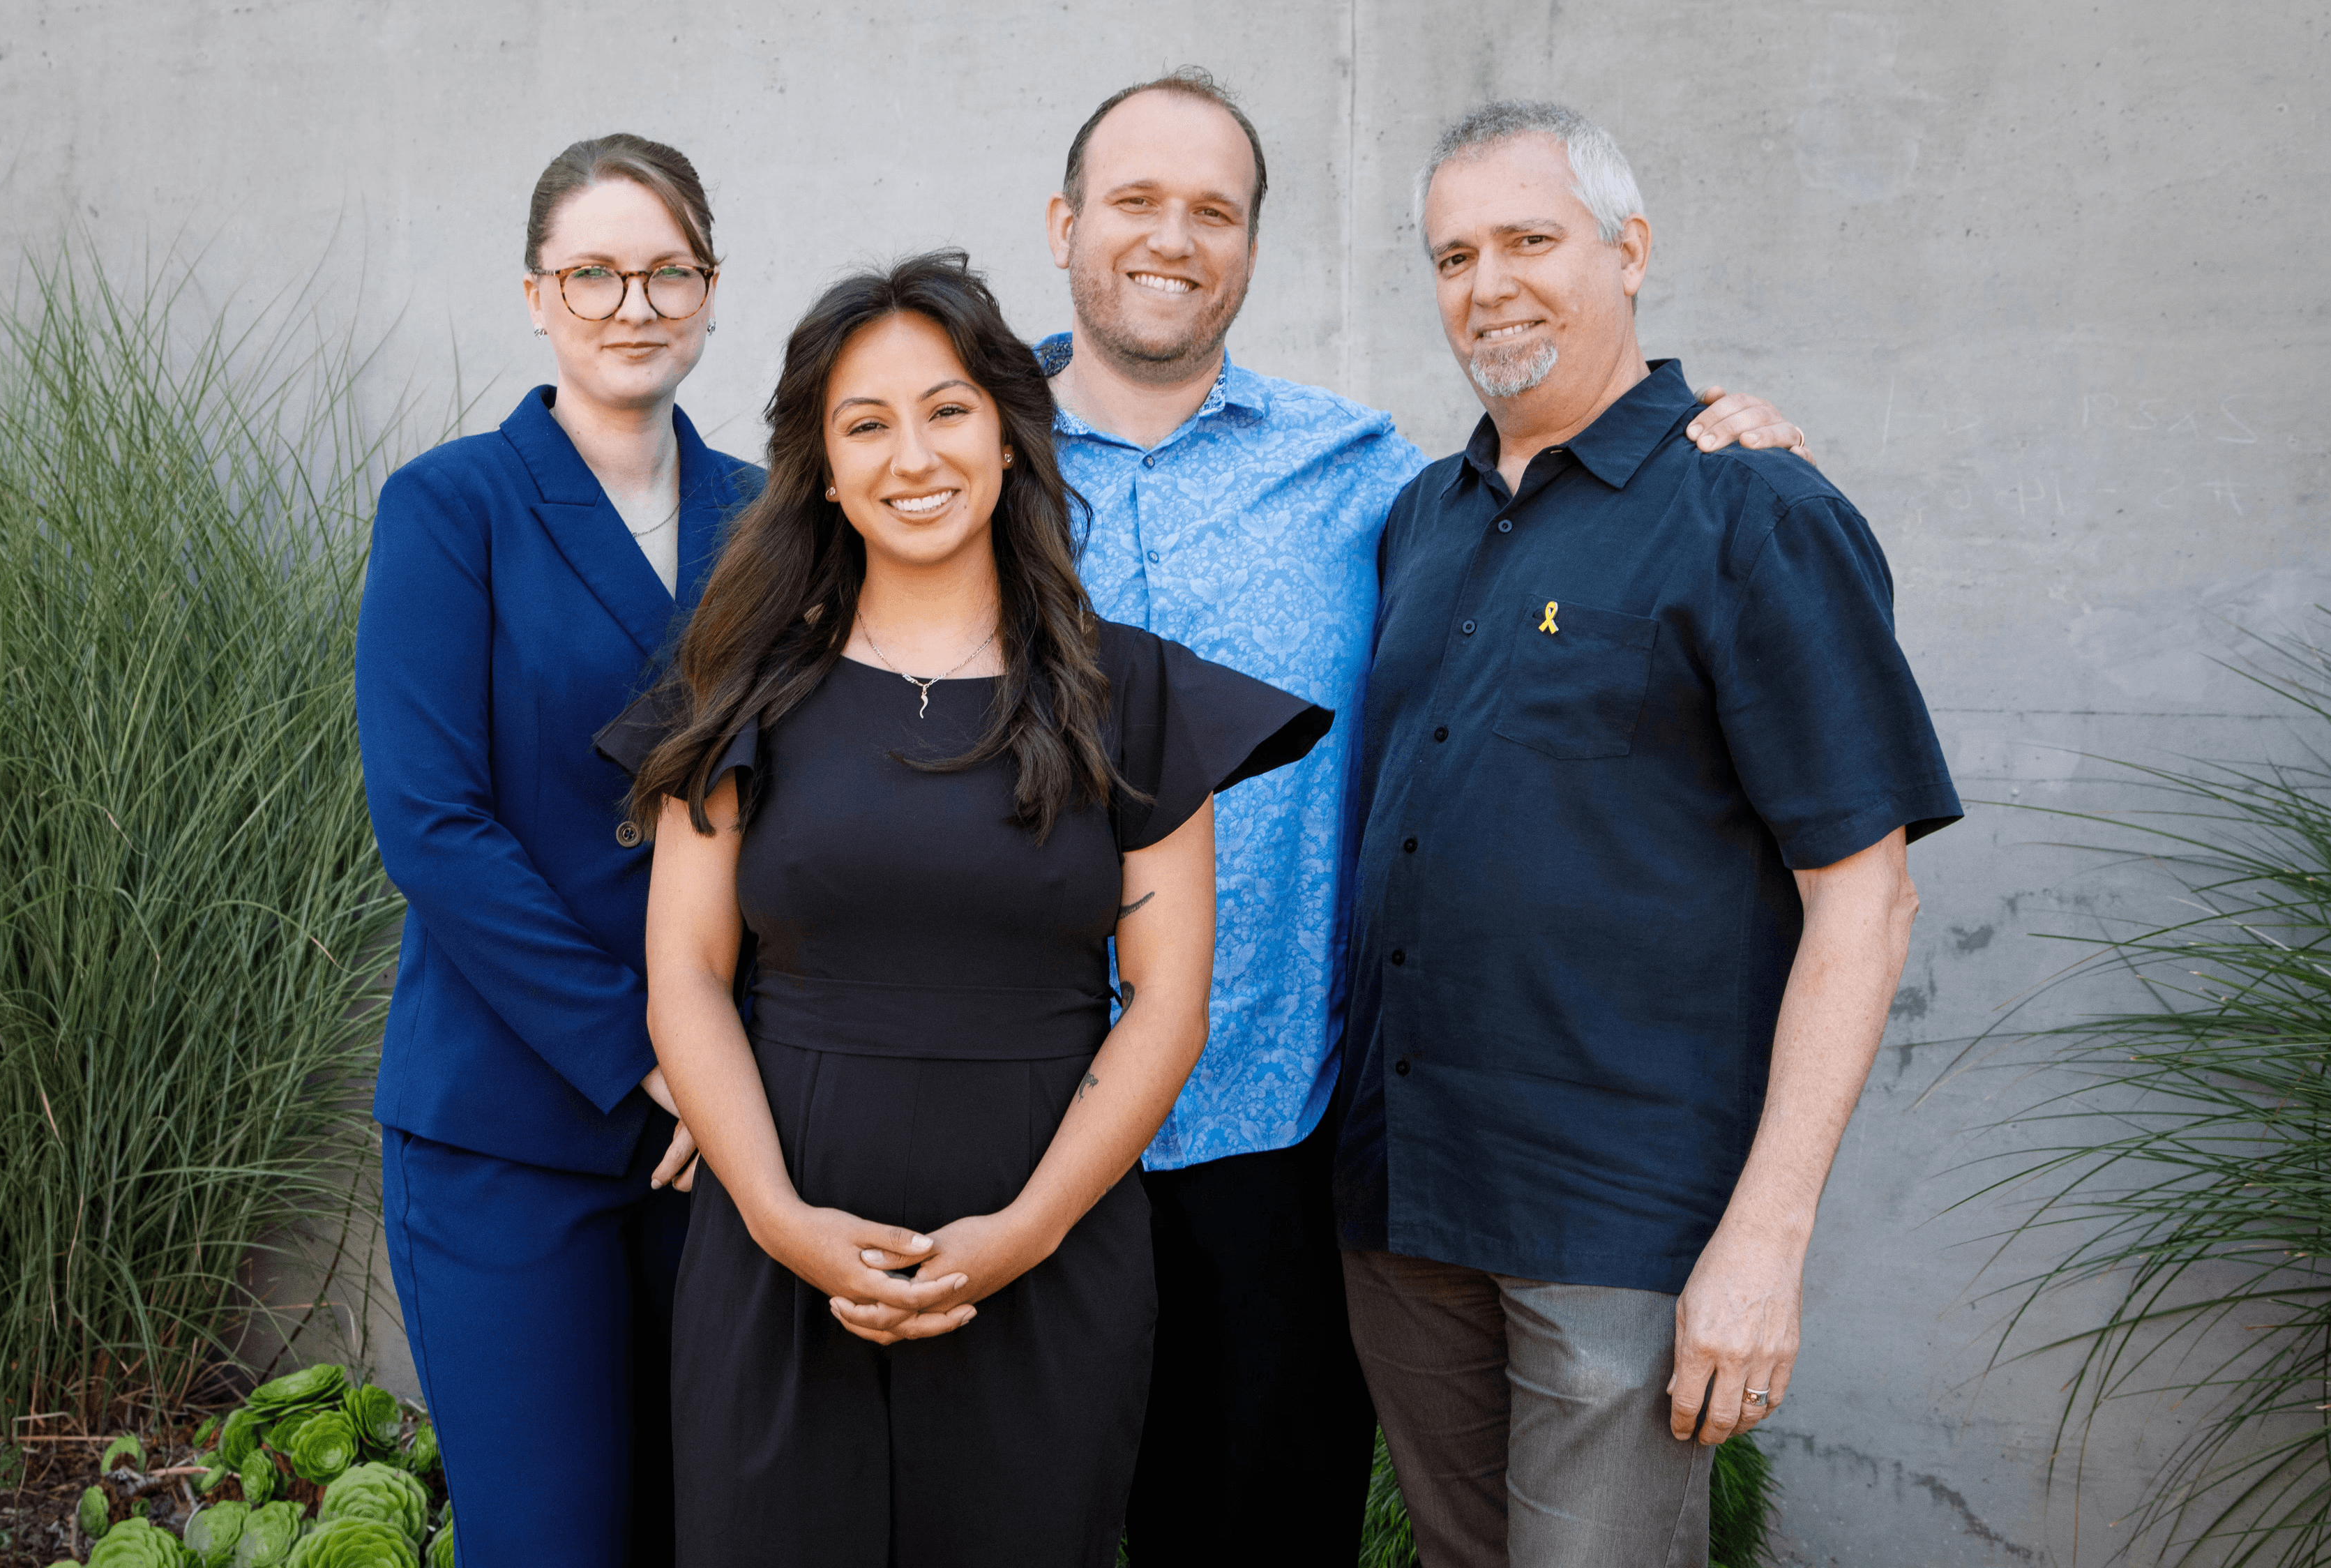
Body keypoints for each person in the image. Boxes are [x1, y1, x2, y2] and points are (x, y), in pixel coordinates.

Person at [1037, 68, 1818, 1564]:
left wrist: (1708, 426)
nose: (1173, 239)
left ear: (1254, 248)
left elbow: (1566, 482)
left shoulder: (1369, 480)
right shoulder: (936, 452)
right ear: (1066, 223)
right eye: (1137, 201)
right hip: (996, 1117)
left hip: (1273, 1134)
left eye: (1216, 210)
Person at [614, 250, 1330, 1568]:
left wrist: (1030, 1231)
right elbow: (686, 978)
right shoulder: (736, 693)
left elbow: (1170, 1001)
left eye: (946, 410)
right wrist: (779, 1222)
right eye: (865, 424)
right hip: (777, 1268)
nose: (913, 455)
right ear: (823, 470)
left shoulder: (1138, 697)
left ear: (1008, 432)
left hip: (1047, 1262)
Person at [1334, 101, 1963, 1567]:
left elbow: (1864, 900)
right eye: (1454, 254)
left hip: (1616, 1221)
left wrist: (1766, 1236)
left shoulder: (1754, 506)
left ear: (1630, 250)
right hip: (1406, 1192)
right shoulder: (1420, 518)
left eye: (1530, 240)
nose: (1489, 283)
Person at [354, 133, 761, 1567]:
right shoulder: (450, 506)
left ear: (711, 289)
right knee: (552, 1538)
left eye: (667, 270)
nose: (632, 301)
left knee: (702, 1528)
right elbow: (433, 823)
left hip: (722, 1143)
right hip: (509, 1127)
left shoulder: (774, 518)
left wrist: (730, 1076)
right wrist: (653, 1044)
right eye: (596, 270)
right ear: (538, 293)